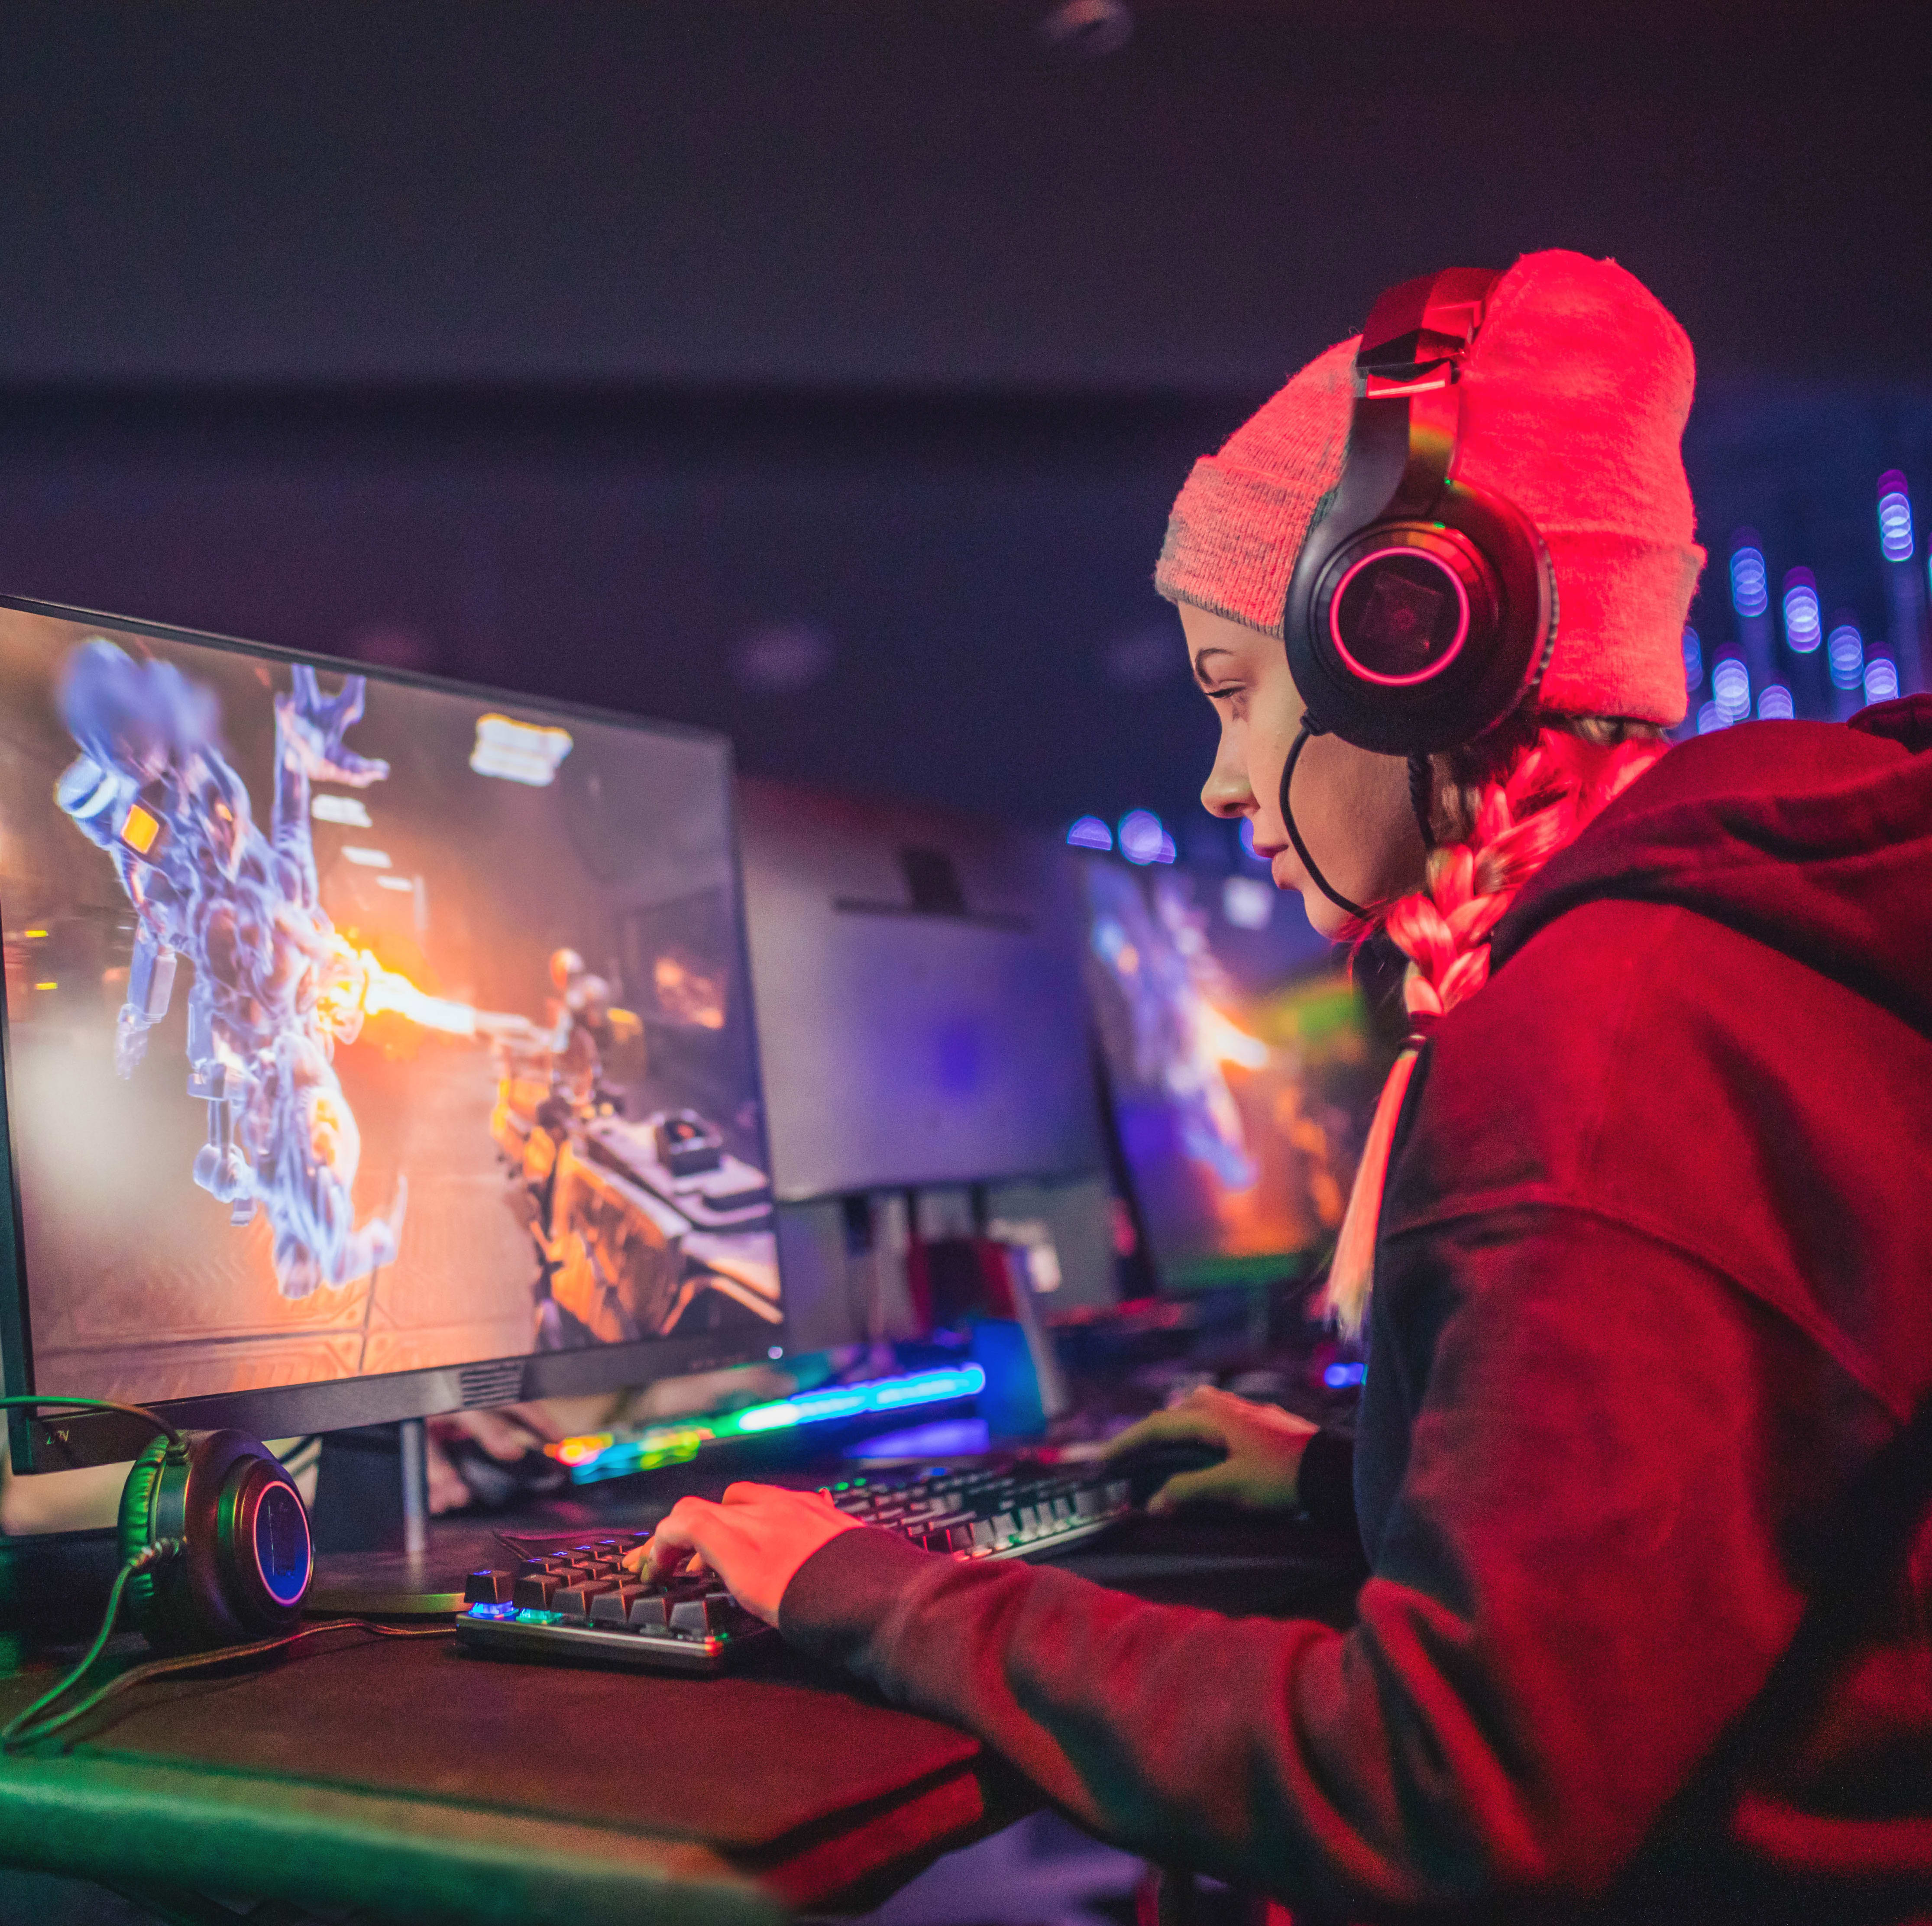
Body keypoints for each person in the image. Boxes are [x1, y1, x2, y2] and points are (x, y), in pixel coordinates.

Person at [627, 251, 1932, 1921]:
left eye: (1236, 697)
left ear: (1408, 643)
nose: (1224, 780)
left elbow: (1448, 1794)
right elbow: (1691, 1551)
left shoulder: (1601, 1042)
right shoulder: (1707, 959)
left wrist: (870, 1592)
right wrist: (1336, 1476)